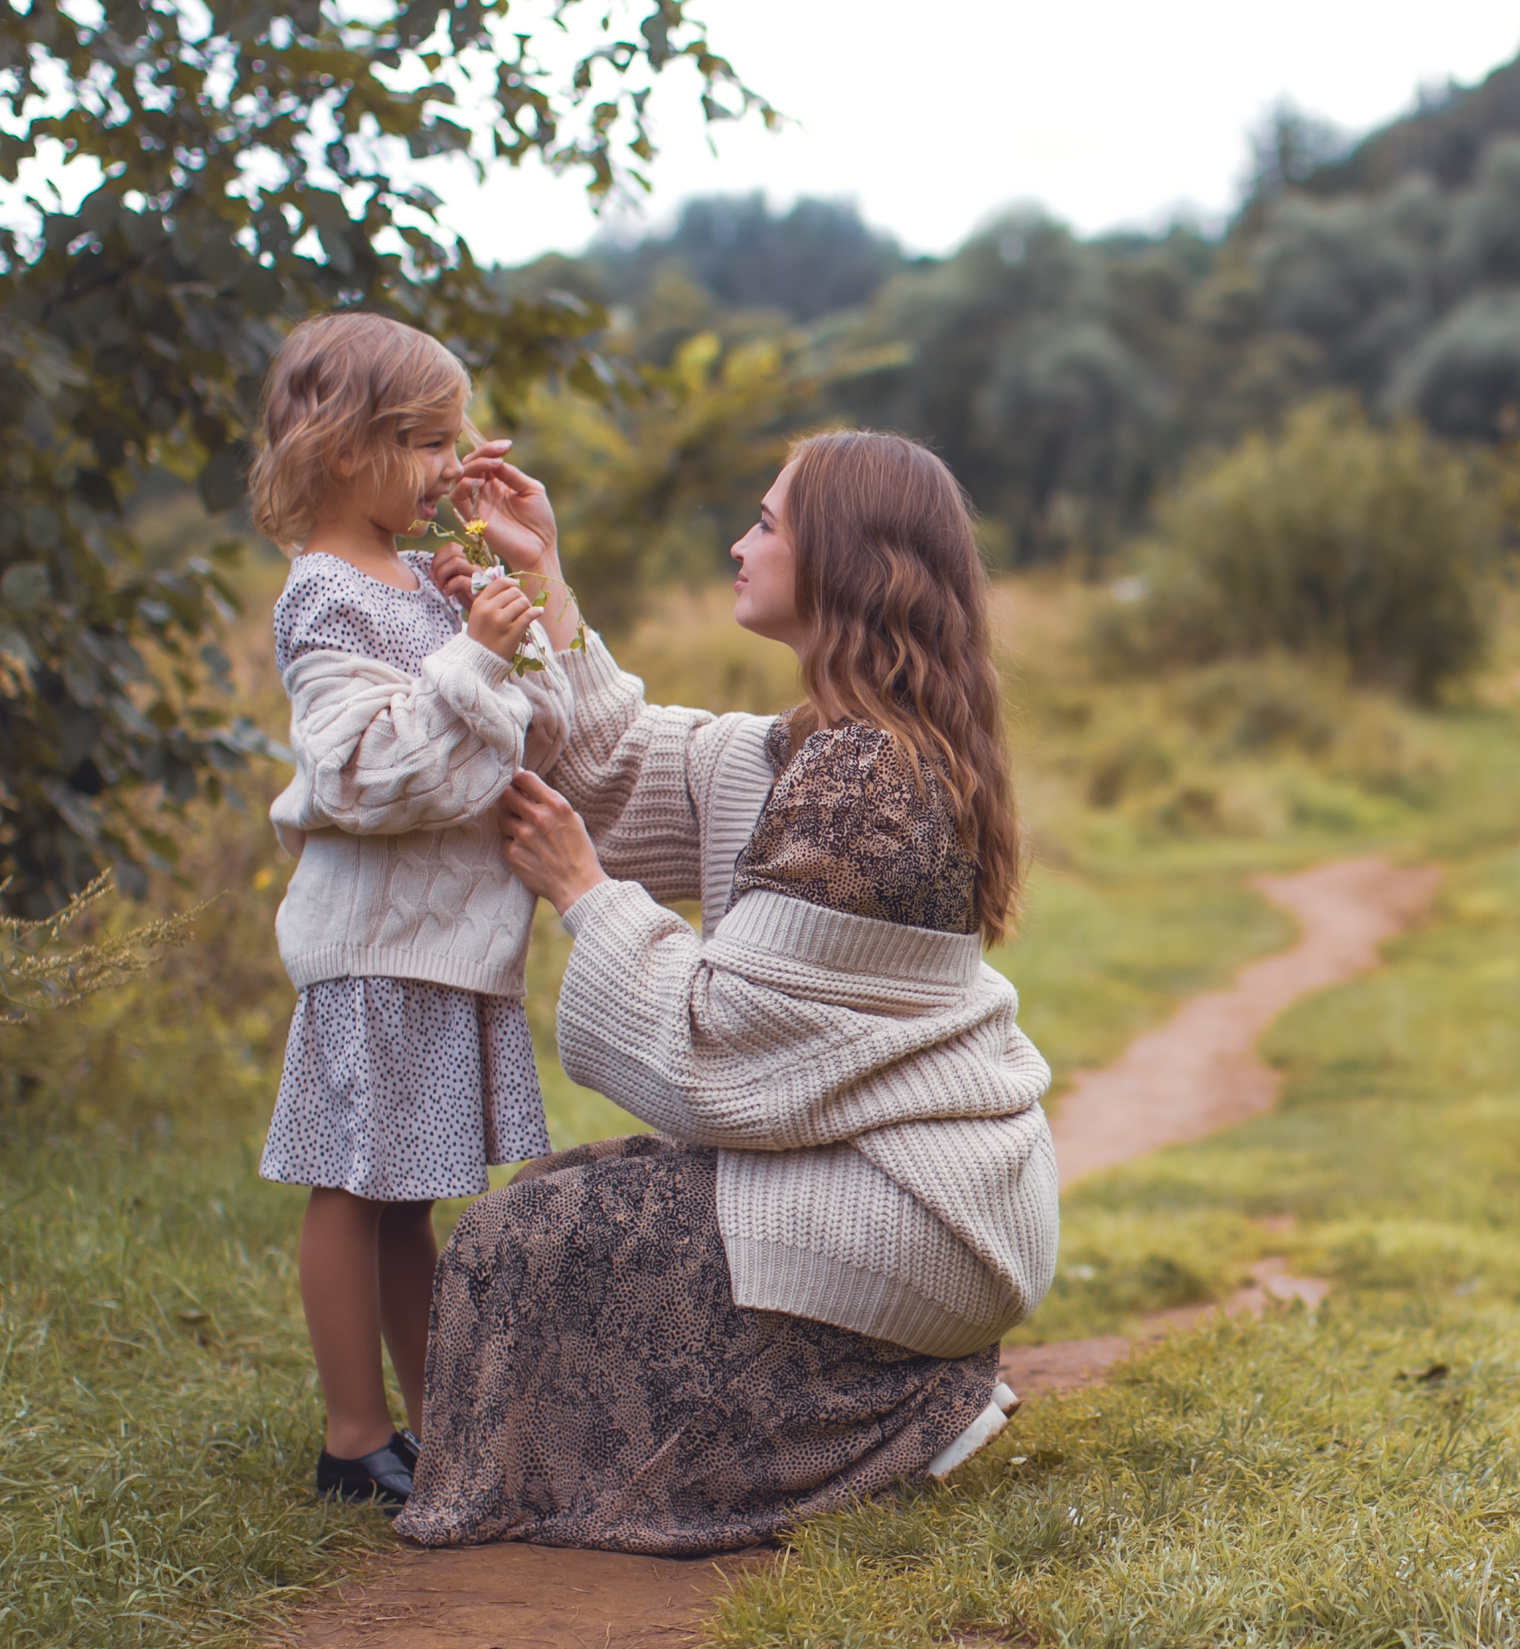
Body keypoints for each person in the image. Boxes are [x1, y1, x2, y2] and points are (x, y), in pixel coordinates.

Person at [393, 430, 1058, 1555]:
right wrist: (542, 579)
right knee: (573, 1202)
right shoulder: (838, 744)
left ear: (841, 560)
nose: (739, 546)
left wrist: (582, 893)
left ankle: (885, 1421)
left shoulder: (859, 782)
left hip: (912, 1209)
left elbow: (717, 1050)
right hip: (924, 1189)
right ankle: (864, 1397)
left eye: (766, 524)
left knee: (516, 1242)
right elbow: (628, 764)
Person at [249, 312, 581, 1505]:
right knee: (353, 1186)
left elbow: (521, 738)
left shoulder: (422, 586)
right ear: (347, 449)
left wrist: (495, 609)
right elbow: (363, 773)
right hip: (376, 950)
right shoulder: (326, 595)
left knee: (409, 1198)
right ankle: (353, 1440)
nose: (455, 464)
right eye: (431, 439)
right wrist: (469, 657)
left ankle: (440, 1423)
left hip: (444, 948)